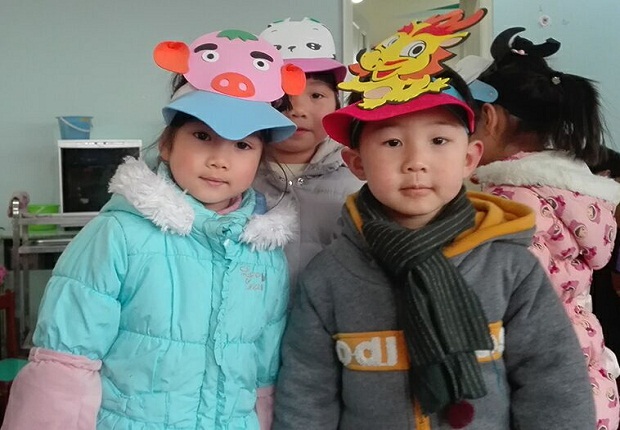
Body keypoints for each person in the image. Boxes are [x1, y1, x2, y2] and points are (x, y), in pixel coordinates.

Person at [274, 11, 596, 430]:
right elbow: (306, 394)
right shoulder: (329, 276)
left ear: (470, 158)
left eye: (439, 140)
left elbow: (554, 386)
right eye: (392, 142)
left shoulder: (511, 269)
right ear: (356, 163)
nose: (416, 162)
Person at [1, 28, 303, 430]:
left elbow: (263, 377)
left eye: (242, 145)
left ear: (261, 159)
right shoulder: (117, 236)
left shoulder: (264, 254)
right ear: (166, 144)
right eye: (202, 136)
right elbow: (65, 365)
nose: (220, 159)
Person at [460, 27, 620, 429]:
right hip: (588, 378)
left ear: (489, 118)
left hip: (537, 389)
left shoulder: (506, 205)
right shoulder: (580, 195)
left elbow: (495, 308)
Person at [252, 17, 364, 292]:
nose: (297, 111)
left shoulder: (358, 178)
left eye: (316, 96)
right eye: (282, 97)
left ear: (337, 103)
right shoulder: (237, 175)